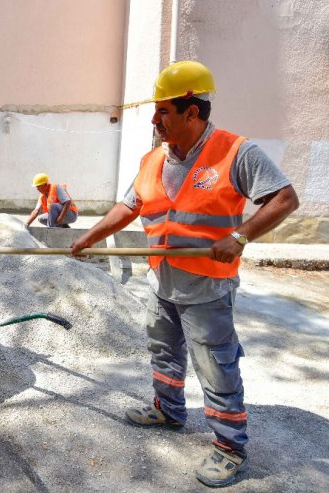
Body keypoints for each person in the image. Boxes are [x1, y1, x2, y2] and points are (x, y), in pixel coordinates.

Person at [70, 61, 299, 487]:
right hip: (163, 280)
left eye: (163, 112)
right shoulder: (153, 157)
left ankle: (230, 446)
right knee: (164, 351)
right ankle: (168, 409)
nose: (155, 121)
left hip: (208, 286)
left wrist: (242, 236)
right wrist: (90, 237)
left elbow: (285, 198)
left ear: (192, 111)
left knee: (215, 364)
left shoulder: (236, 152)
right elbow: (130, 206)